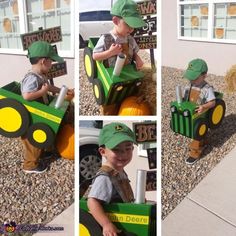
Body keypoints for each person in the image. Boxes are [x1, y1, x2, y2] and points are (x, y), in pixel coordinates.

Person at [20, 40, 74, 173]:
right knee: (33, 142)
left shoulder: (40, 75)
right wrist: (42, 92)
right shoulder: (32, 78)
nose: (52, 64)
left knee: (43, 135)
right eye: (51, 61)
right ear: (43, 61)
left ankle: (42, 153)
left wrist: (63, 91)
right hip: (32, 118)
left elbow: (49, 87)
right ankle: (30, 165)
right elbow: (26, 96)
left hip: (40, 113)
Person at [87, 122, 136, 236]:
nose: (123, 154)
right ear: (103, 152)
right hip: (113, 228)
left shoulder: (120, 171)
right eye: (117, 149)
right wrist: (106, 224)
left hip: (124, 221)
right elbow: (92, 202)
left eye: (128, 148)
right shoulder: (105, 177)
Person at [92, 0, 145, 70]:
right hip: (111, 75)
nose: (131, 29)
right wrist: (110, 52)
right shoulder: (105, 39)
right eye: (128, 24)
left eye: (133, 25)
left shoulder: (130, 39)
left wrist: (137, 59)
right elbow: (95, 56)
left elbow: (133, 53)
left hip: (127, 72)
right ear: (116, 21)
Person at [182, 58, 216, 165]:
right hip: (191, 113)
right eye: (190, 78)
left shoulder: (207, 89)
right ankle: (204, 141)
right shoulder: (190, 85)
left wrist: (204, 107)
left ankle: (194, 153)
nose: (192, 81)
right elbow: (185, 98)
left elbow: (213, 102)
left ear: (204, 75)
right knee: (194, 130)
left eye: (195, 78)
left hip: (200, 115)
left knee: (196, 134)